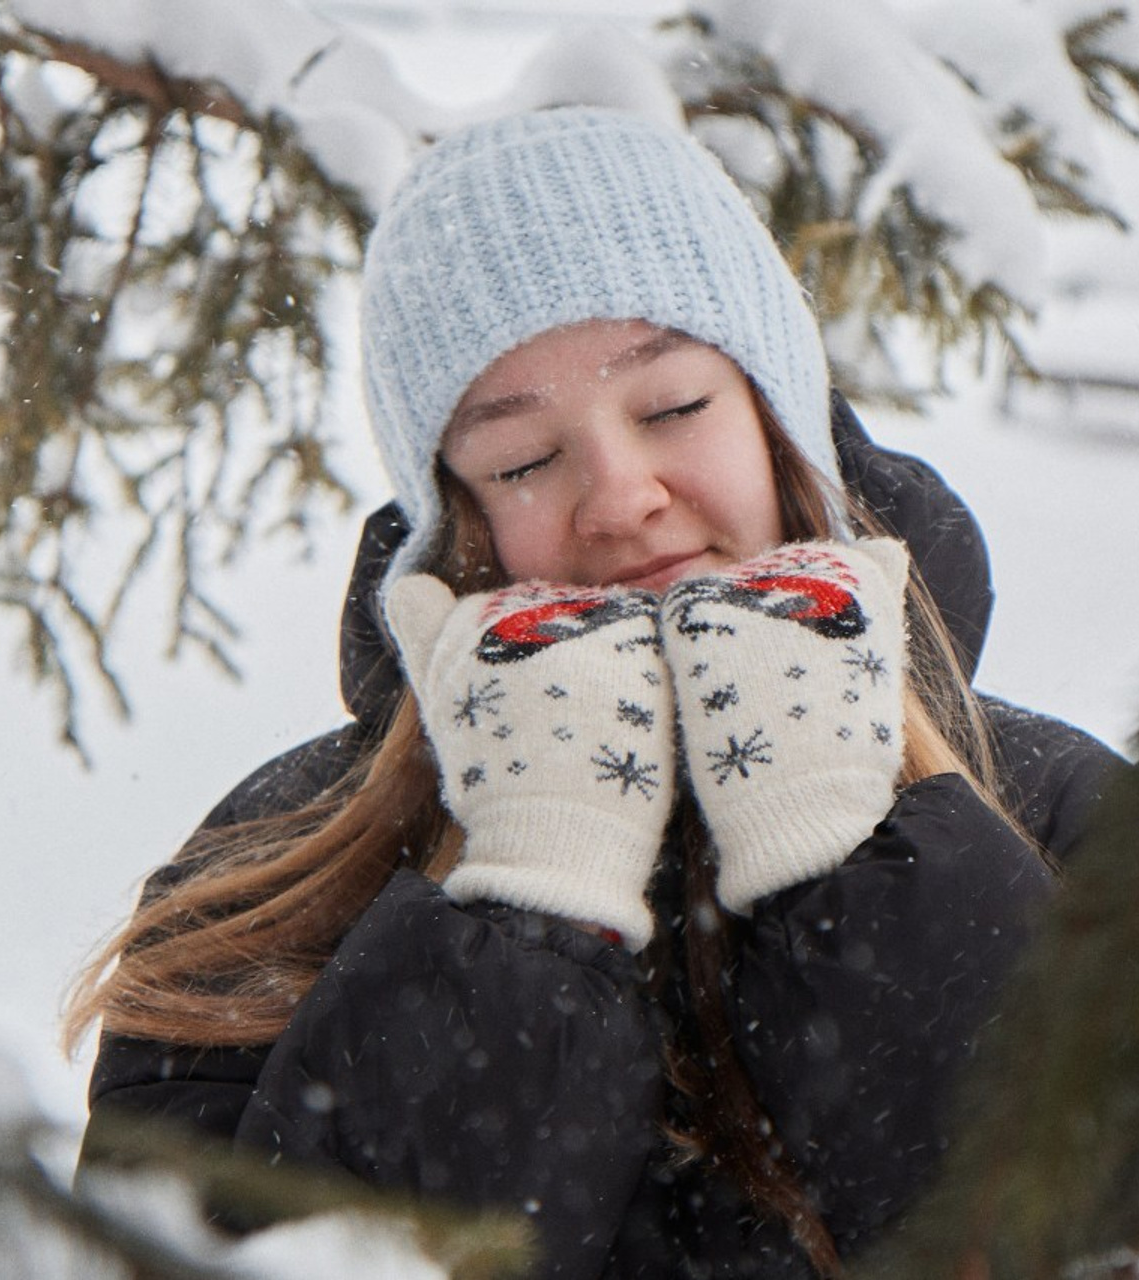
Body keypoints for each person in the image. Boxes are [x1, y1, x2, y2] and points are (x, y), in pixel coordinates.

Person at [67, 107, 1122, 1278]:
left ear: (781, 419)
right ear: (447, 521)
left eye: (671, 405)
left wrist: (855, 857)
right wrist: (529, 893)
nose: (619, 497)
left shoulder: (1055, 811)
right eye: (521, 460)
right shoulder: (277, 867)